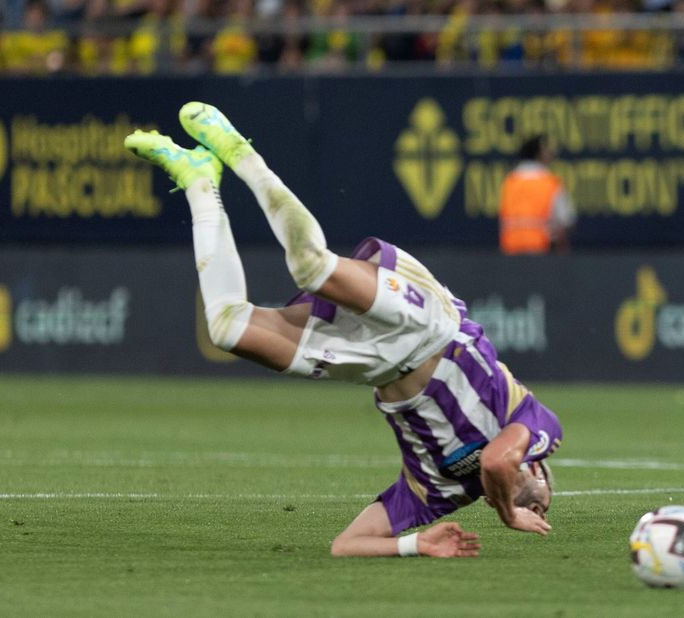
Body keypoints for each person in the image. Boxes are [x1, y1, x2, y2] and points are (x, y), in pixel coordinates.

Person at [125, 103, 560, 558]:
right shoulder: (532, 423)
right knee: (313, 267)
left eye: (536, 506)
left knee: (227, 328)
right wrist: (511, 513)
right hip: (431, 326)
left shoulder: (440, 491)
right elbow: (495, 459)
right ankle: (242, 156)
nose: (540, 502)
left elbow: (344, 546)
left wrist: (416, 545)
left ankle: (199, 183)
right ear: (537, 464)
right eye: (541, 487)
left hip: (370, 362)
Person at [498, 135, 574, 254]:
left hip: (510, 252)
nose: (550, 154)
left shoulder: (510, 182)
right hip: (541, 252)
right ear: (538, 154)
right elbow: (565, 221)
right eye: (546, 150)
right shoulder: (550, 183)